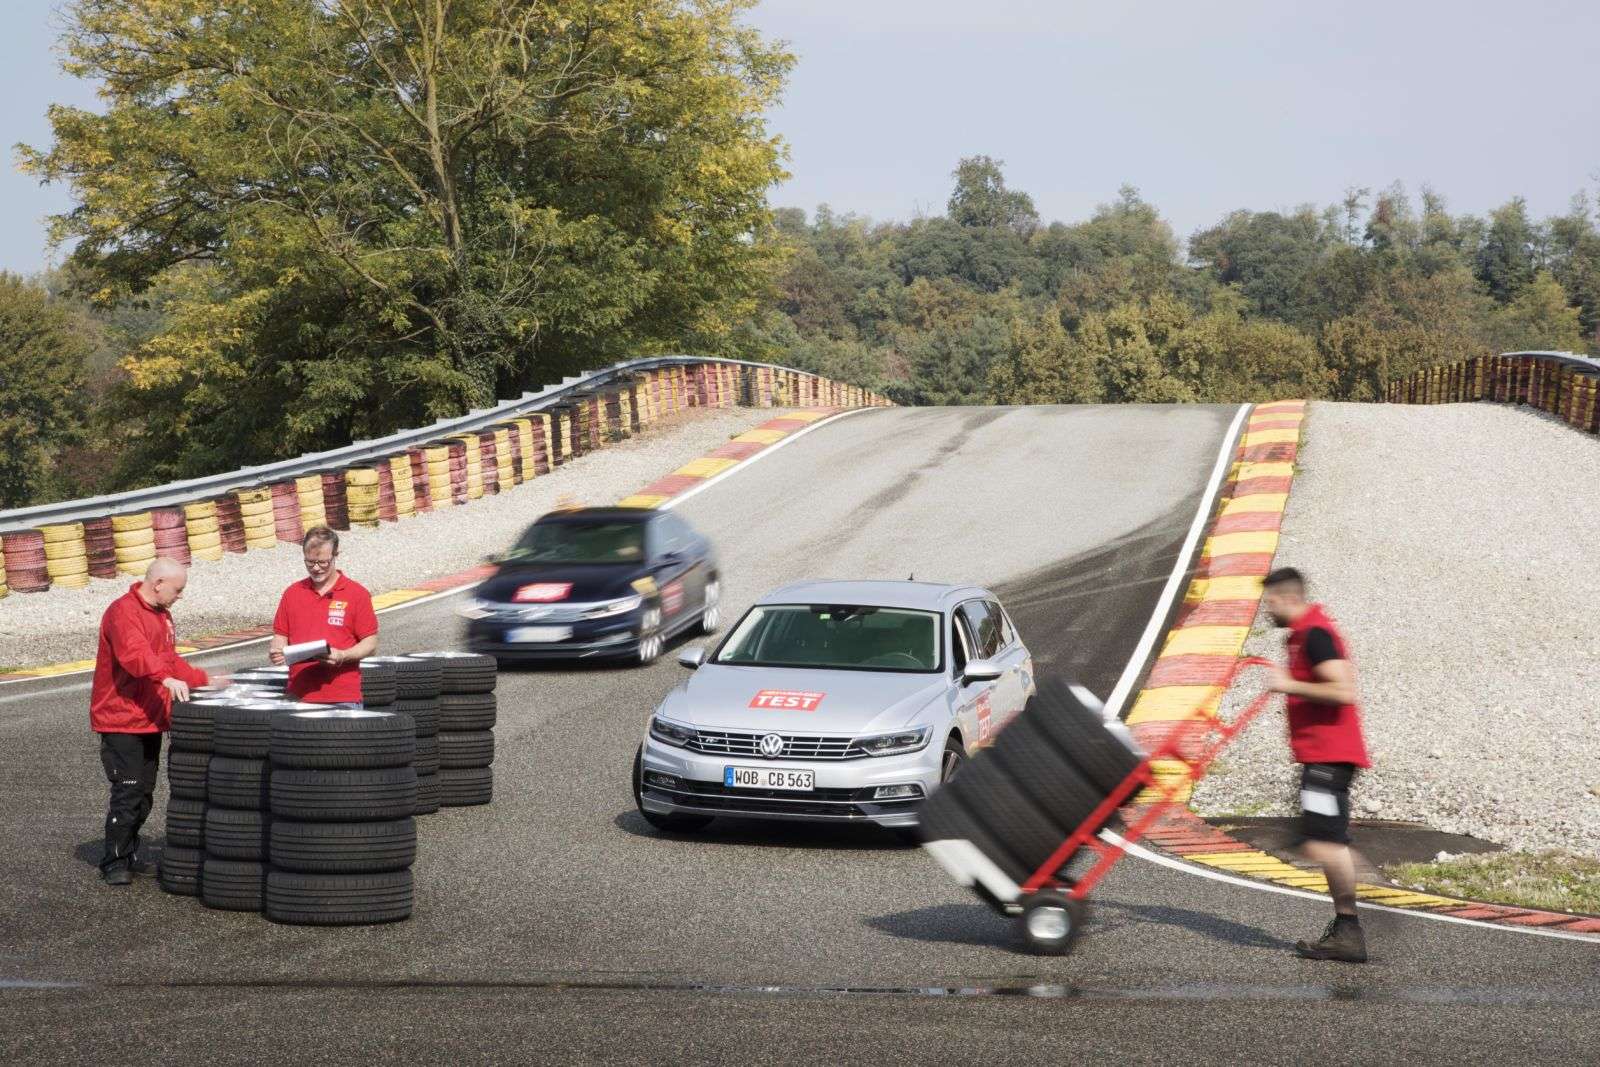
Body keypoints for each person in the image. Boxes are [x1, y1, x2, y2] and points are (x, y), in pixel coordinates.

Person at [1263, 566, 1372, 963]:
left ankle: (1361, 919)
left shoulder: (1315, 634)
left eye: (1270, 602)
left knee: (1324, 841)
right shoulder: (1302, 636)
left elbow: (1343, 690)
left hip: (1329, 757)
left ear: (1289, 598)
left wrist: (1289, 685)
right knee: (1321, 838)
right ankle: (1347, 928)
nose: (1266, 610)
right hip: (1320, 756)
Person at [90, 557, 214, 885]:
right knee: (128, 791)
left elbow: (170, 660)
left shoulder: (163, 617)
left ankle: (129, 851)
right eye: (178, 589)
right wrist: (165, 679)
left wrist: (205, 680)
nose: (180, 595)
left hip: (150, 719)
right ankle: (113, 861)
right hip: (119, 719)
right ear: (158, 583)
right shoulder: (122, 612)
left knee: (144, 794)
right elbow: (135, 655)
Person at [269, 525, 377, 706]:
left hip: (342, 698)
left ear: (335, 555)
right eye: (310, 562)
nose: (316, 568)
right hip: (298, 697)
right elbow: (280, 635)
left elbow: (370, 644)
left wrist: (343, 655)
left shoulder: (356, 593)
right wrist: (278, 651)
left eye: (323, 562)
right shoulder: (292, 593)